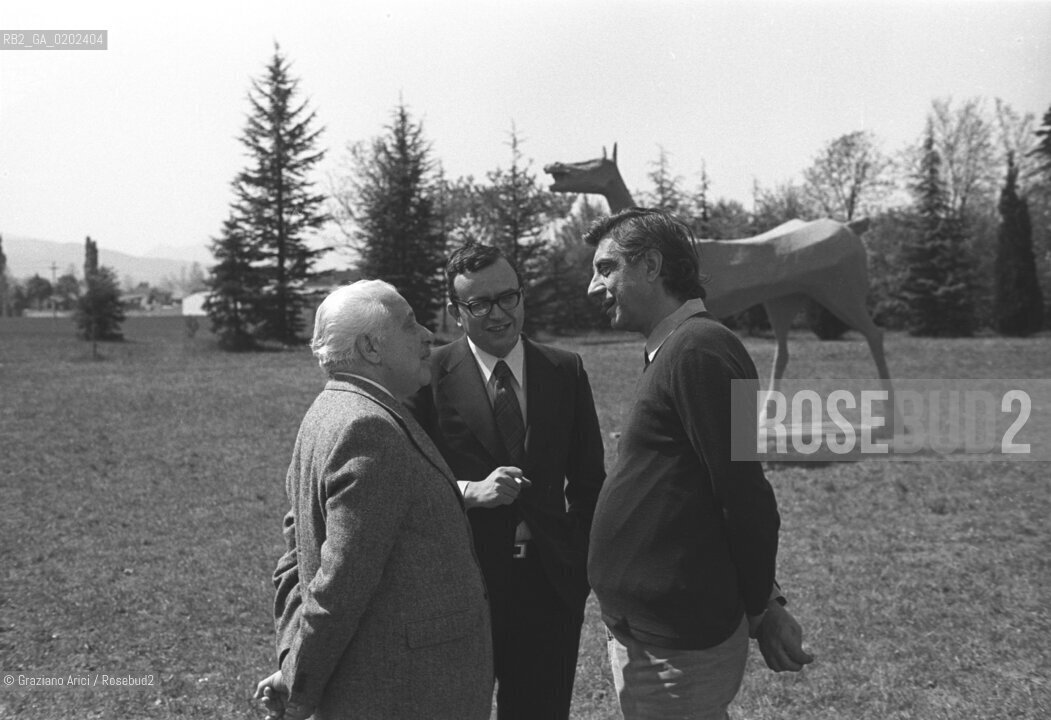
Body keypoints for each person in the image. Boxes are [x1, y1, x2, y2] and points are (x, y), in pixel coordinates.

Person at [584, 208, 814, 719]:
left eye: (605, 268)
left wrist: (763, 606)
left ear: (649, 266)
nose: (592, 287)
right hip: (651, 630)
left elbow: (744, 495)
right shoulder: (673, 348)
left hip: (677, 641)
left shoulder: (700, 350)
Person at [253, 280, 493, 720]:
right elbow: (339, 582)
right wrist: (298, 681)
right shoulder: (369, 428)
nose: (428, 335)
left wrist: (292, 662)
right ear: (371, 347)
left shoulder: (328, 412)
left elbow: (295, 559)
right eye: (409, 324)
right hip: (406, 693)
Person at [405, 243, 606, 720]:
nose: (499, 314)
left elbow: (588, 482)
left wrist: (575, 567)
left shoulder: (565, 369)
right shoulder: (426, 376)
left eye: (508, 297)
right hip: (462, 586)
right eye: (480, 304)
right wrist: (468, 493)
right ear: (456, 313)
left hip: (549, 587)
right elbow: (405, 483)